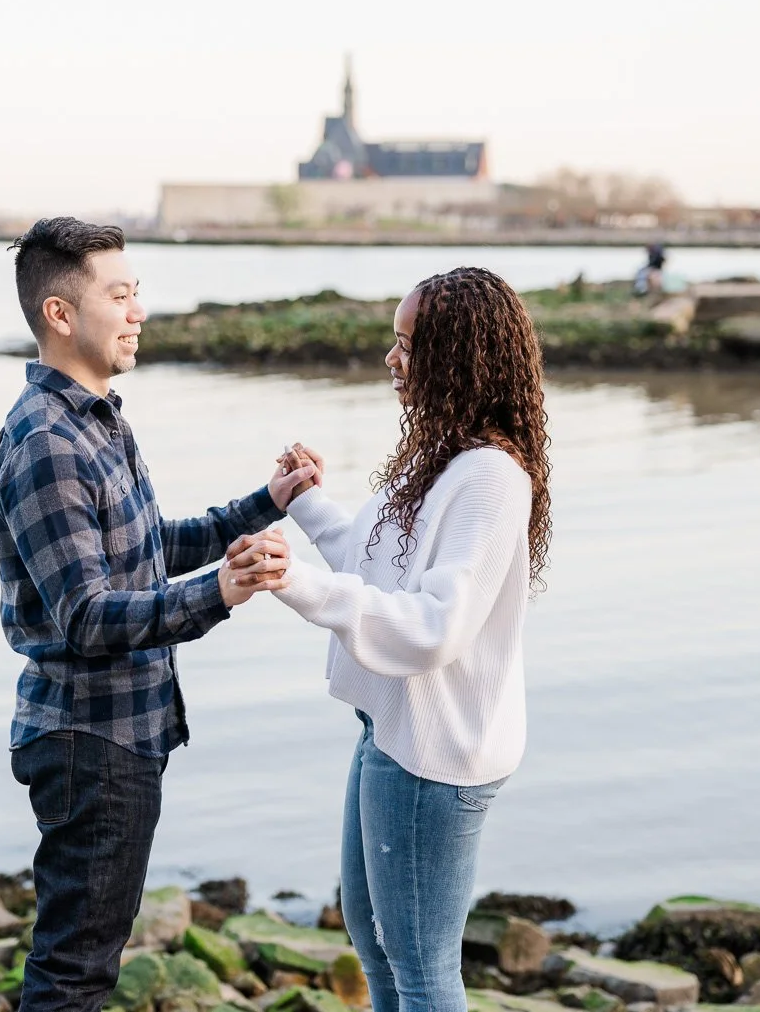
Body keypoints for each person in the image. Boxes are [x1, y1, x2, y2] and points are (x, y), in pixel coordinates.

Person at [0, 217, 315, 1012]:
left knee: (87, 956)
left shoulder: (99, 421)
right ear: (60, 314)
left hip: (123, 731)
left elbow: (151, 548)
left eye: (139, 294)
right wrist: (222, 593)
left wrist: (265, 503)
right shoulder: (47, 443)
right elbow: (89, 617)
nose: (139, 312)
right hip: (89, 738)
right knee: (75, 970)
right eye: (121, 295)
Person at [230, 267, 553, 1012]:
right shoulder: (441, 457)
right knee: (374, 941)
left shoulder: (490, 477)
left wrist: (295, 583)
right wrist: (307, 505)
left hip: (436, 755)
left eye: (408, 344)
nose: (391, 358)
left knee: (422, 968)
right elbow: (377, 568)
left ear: (458, 357)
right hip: (393, 730)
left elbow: (435, 628)